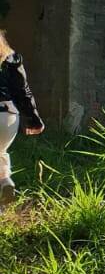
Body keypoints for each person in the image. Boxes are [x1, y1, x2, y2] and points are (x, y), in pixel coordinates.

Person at [0, 29, 45, 205]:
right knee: (0, 152)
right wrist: (34, 120)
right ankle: (5, 183)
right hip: (8, 118)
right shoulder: (11, 58)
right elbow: (22, 92)